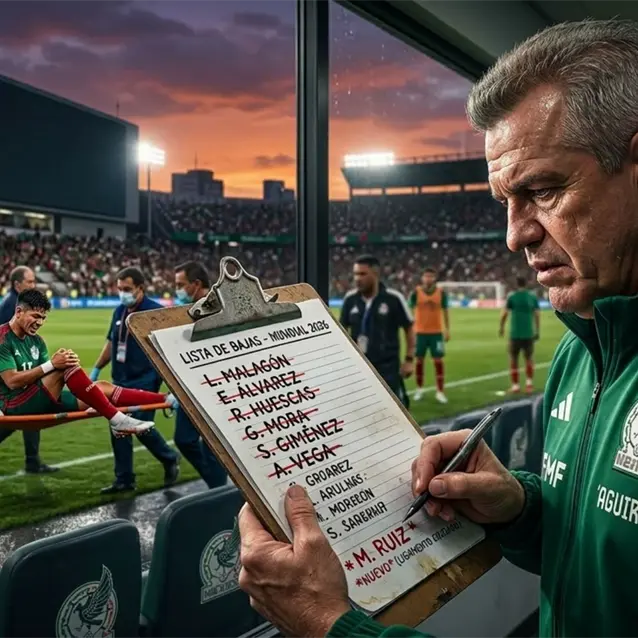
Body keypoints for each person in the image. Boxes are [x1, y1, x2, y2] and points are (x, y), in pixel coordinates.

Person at [235, 19, 638, 638]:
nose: (514, 235)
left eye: (542, 190)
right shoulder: (582, 351)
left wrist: (329, 625)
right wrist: (518, 508)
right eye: (505, 201)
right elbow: (602, 566)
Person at [0, 290, 162, 439]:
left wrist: (92, 399)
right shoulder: (3, 338)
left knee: (102, 388)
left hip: (34, 399)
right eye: (35, 316)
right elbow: (12, 381)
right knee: (64, 366)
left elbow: (43, 379)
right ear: (19, 312)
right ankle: (117, 420)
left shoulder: (37, 341)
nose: (40, 322)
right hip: (13, 405)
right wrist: (53, 364)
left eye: (43, 318)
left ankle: (165, 399)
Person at [90, 267, 180, 495]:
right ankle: (124, 479)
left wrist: (174, 385)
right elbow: (112, 343)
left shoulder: (154, 313)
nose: (123, 293)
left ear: (140, 288)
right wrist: (97, 368)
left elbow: (170, 349)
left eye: (127, 289)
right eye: (120, 289)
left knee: (139, 424)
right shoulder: (119, 311)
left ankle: (169, 457)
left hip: (146, 378)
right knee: (118, 425)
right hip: (120, 378)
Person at [171, 261, 228, 488]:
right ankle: (217, 487)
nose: (177, 290)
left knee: (212, 445)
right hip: (189, 386)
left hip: (215, 386)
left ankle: (218, 489)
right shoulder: (185, 311)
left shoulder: (218, 308)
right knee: (183, 439)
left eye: (180, 285)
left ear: (196, 284)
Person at [0, 266, 55, 473]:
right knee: (17, 418)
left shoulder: (13, 303)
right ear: (17, 284)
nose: (34, 285)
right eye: (30, 282)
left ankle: (33, 460)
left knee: (30, 414)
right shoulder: (9, 307)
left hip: (15, 375)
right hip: (8, 379)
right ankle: (32, 461)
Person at [340, 255, 415, 408]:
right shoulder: (350, 299)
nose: (357, 279)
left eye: (362, 274)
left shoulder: (393, 298)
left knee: (394, 409)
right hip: (359, 367)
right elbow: (342, 330)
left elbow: (409, 328)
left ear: (375, 274)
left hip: (387, 367)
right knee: (360, 409)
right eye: (355, 274)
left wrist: (409, 360)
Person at [408, 268, 450, 404]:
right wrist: (411, 329)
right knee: (419, 361)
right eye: (426, 276)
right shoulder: (416, 292)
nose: (428, 279)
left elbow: (446, 311)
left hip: (436, 333)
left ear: (434, 278)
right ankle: (419, 389)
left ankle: (440, 391)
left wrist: (447, 329)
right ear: (422, 278)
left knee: (438, 361)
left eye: (431, 276)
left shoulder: (441, 293)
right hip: (419, 333)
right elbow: (409, 310)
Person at [500, 276, 540, 393]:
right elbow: (537, 314)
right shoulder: (532, 297)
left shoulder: (512, 296)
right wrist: (537, 330)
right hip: (528, 333)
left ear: (516, 284)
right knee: (529, 359)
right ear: (526, 284)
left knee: (513, 359)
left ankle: (515, 386)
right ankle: (529, 384)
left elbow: (504, 313)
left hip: (515, 334)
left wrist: (501, 327)